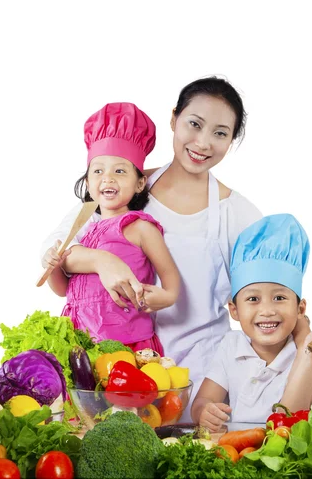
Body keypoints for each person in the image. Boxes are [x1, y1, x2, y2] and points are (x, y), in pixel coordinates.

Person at [41, 76, 267, 420]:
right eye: (194, 124)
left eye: (220, 133)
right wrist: (102, 261)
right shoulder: (123, 184)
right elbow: (58, 247)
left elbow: (269, 294)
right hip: (112, 372)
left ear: (231, 141)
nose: (203, 142)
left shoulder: (237, 214)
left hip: (192, 383)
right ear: (174, 119)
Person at [191, 214, 312, 431]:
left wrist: (308, 352)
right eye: (253, 299)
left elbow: (289, 420)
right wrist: (204, 412)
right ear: (234, 310)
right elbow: (202, 401)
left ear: (300, 309)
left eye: (279, 298)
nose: (267, 311)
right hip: (237, 452)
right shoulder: (231, 346)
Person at [44, 102, 180, 353]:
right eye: (98, 171)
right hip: (81, 344)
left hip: (128, 344)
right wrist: (53, 268)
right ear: (87, 182)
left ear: (140, 183)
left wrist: (168, 296)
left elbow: (170, 277)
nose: (108, 178)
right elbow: (64, 290)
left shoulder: (140, 228)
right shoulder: (82, 232)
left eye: (119, 171)